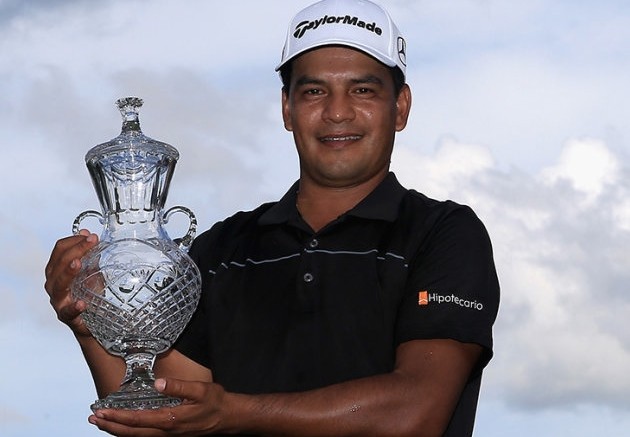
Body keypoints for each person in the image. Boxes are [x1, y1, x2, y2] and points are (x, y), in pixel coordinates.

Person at [45, 0, 499, 436]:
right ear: (287, 108)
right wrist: (90, 324)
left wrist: (232, 412)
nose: (337, 112)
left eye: (363, 90)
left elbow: (416, 411)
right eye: (314, 91)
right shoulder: (222, 249)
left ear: (400, 107)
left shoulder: (444, 232)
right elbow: (166, 417)